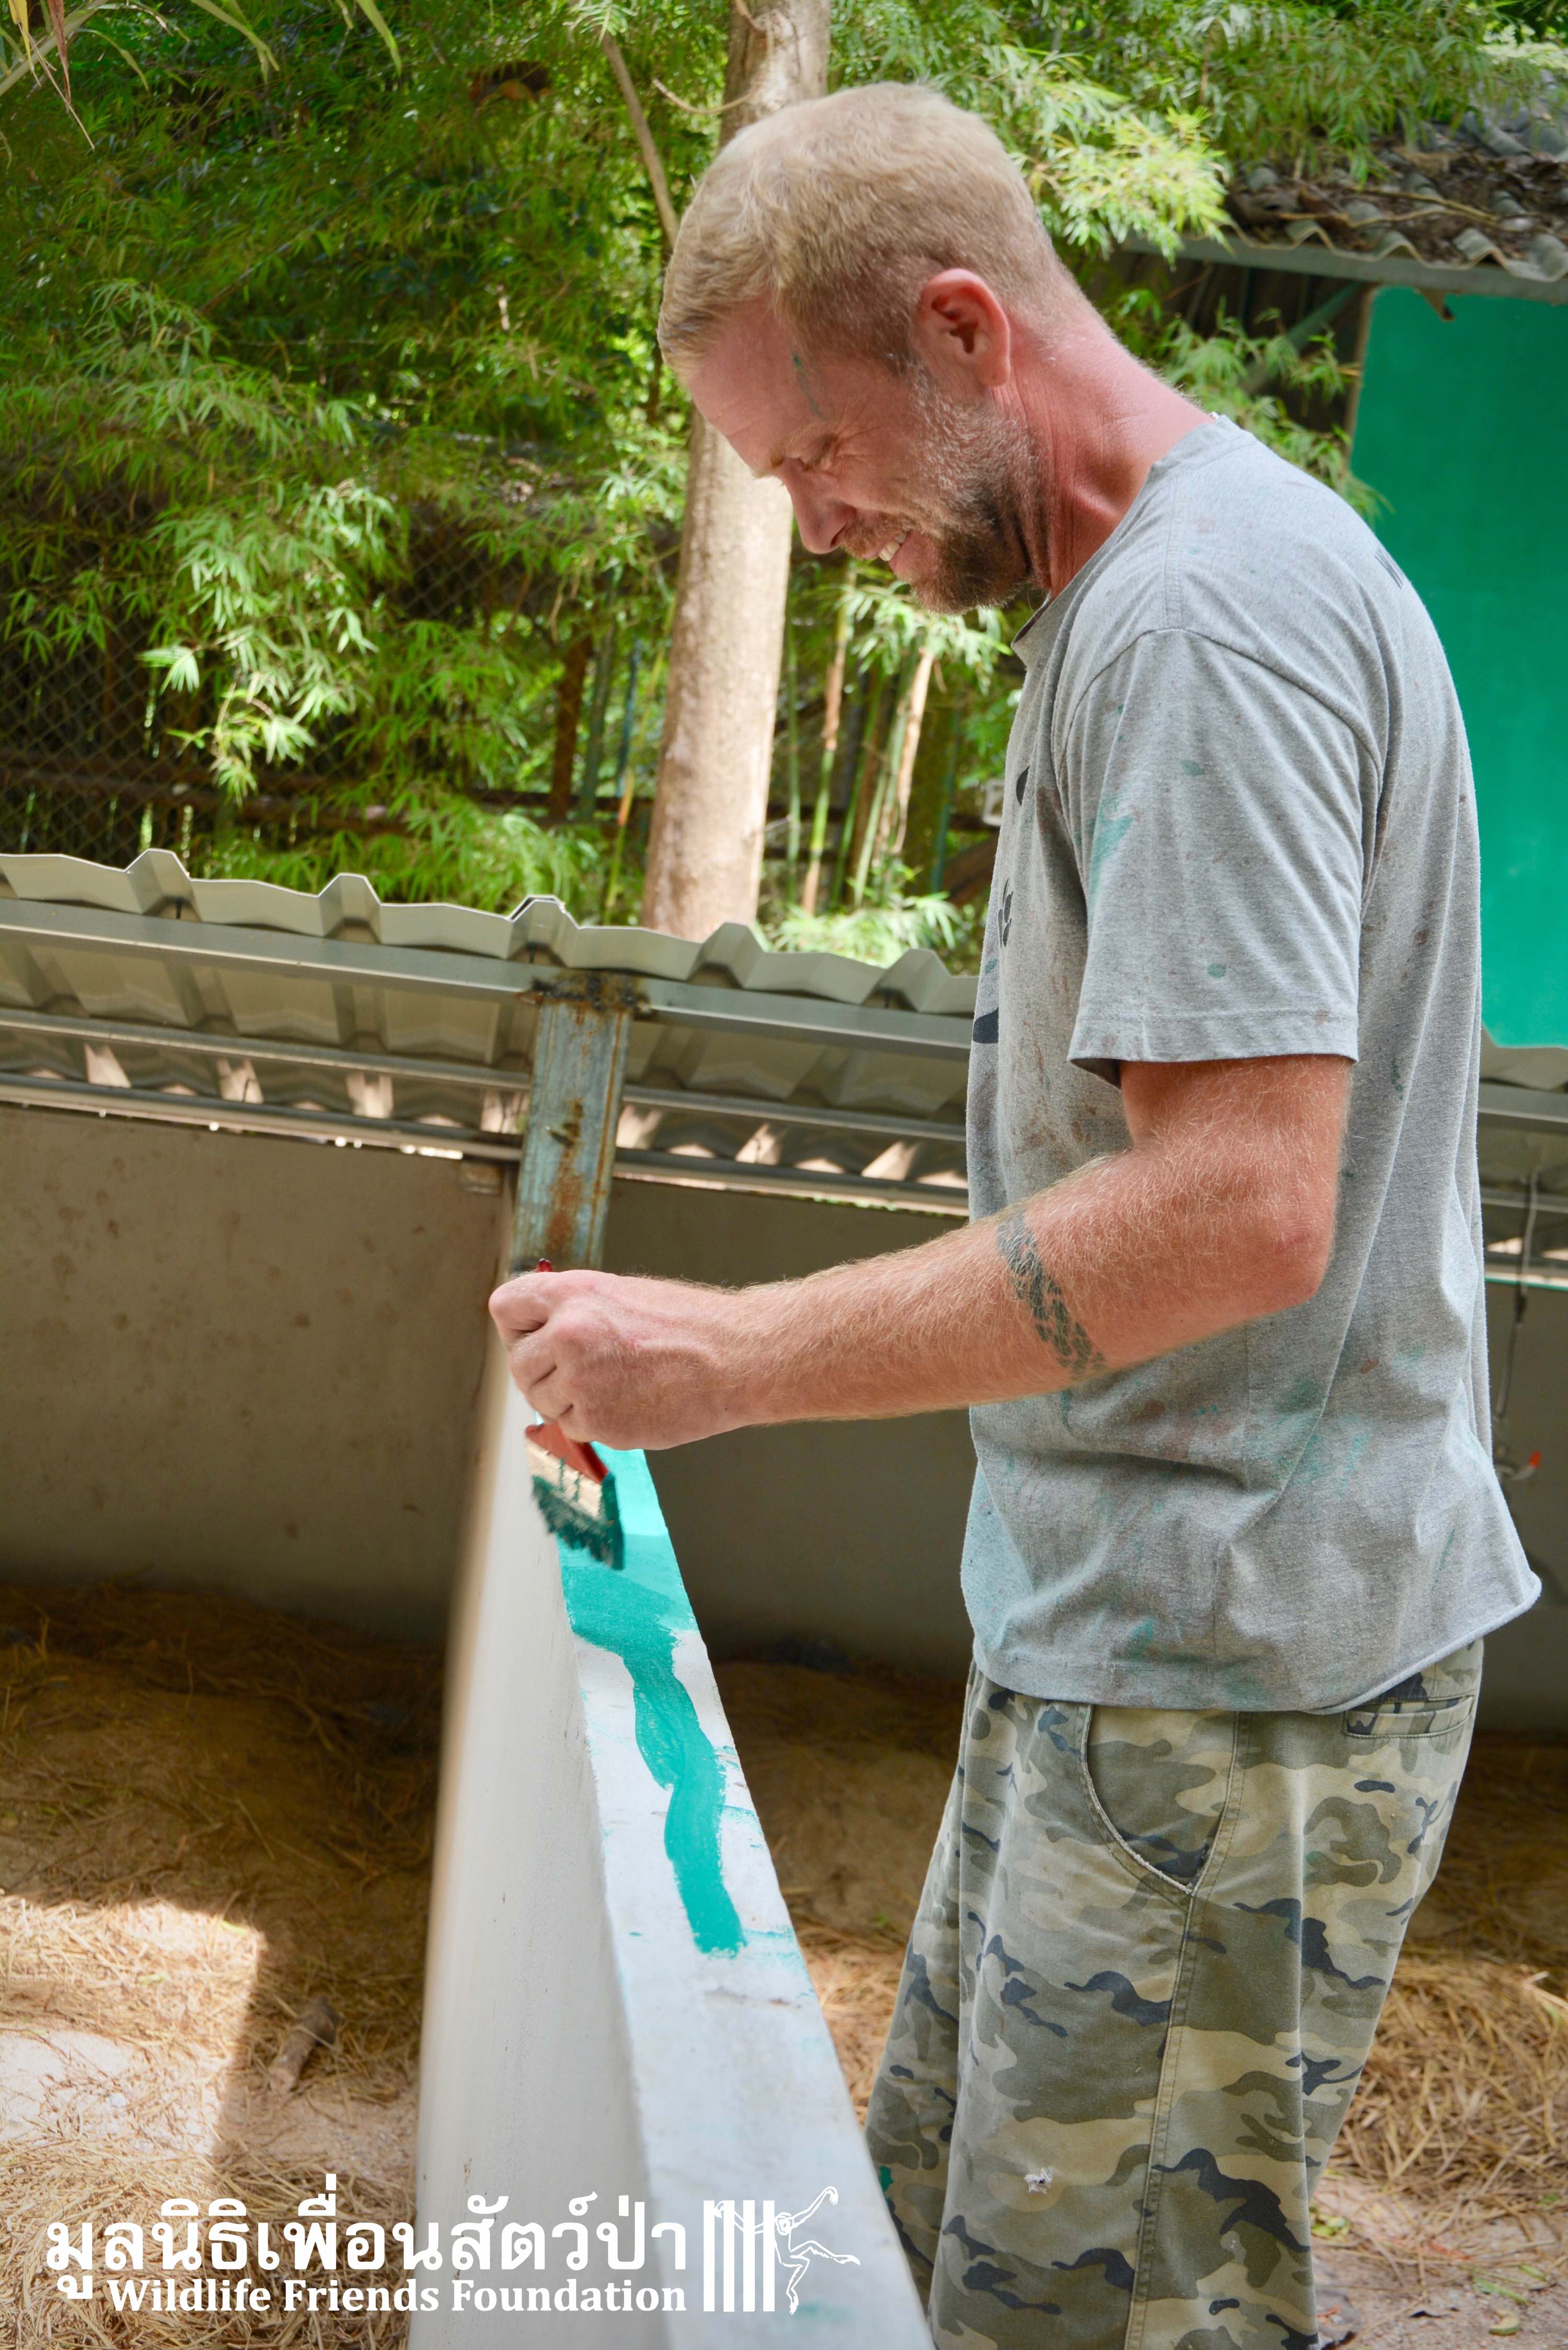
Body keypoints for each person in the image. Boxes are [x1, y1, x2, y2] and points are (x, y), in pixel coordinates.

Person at [489, 82, 1538, 2350]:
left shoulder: (1204, 624)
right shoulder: (1152, 593)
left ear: (965, 331)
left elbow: (1240, 1210)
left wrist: (731, 1358)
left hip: (1228, 1681)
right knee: (963, 2263)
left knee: (1101, 2315)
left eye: (815, 452)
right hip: (1143, 1644)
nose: (813, 522)